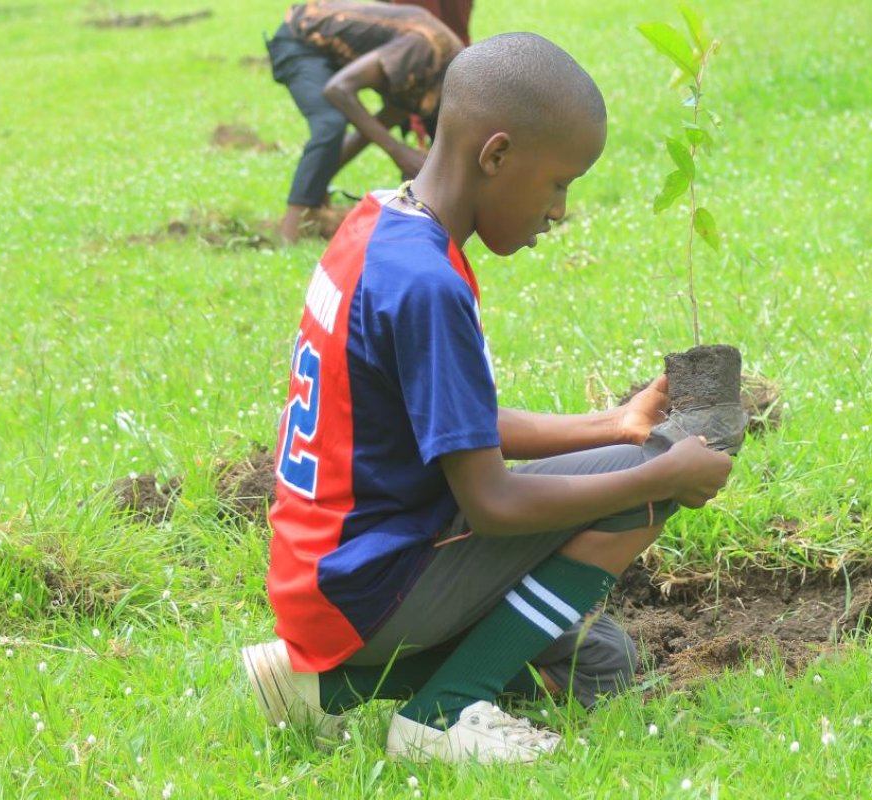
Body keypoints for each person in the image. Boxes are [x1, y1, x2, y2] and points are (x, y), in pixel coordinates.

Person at [242, 32, 734, 764]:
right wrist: (659, 474)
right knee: (641, 492)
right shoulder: (429, 286)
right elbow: (492, 506)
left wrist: (615, 423)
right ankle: (435, 720)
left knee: (597, 659)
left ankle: (324, 690)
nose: (561, 212)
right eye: (559, 183)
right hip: (367, 584)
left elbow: (444, 422)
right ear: (496, 155)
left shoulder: (379, 222)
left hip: (325, 574)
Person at [265, 1, 463, 242]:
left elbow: (444, 162)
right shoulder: (423, 50)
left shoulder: (442, 83)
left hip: (334, 50)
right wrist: (399, 152)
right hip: (300, 38)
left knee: (370, 128)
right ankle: (290, 231)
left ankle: (315, 201)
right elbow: (338, 89)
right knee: (330, 124)